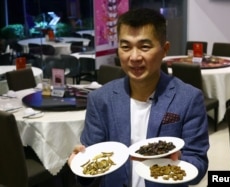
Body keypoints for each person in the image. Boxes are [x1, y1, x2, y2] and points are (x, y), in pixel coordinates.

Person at [68, 8, 209, 187]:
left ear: (165, 49)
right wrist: (79, 162)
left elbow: (198, 163)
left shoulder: (188, 98)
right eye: (125, 47)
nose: (134, 57)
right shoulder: (100, 99)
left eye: (144, 46)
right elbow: (92, 165)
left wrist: (177, 159)